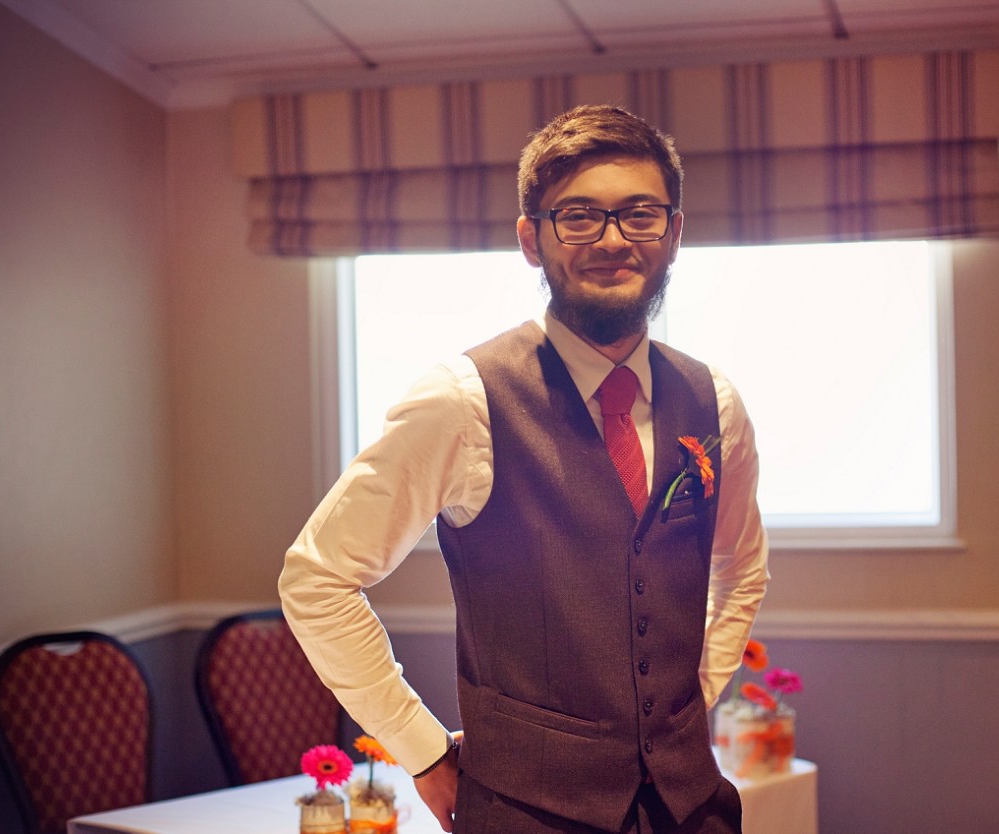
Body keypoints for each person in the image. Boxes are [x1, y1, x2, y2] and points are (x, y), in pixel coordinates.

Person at [279, 104, 768, 834]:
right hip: (526, 814)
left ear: (673, 233)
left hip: (692, 810)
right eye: (578, 217)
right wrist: (421, 749)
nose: (612, 240)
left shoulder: (714, 401)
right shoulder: (460, 400)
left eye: (640, 215)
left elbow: (743, 569)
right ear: (530, 240)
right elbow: (316, 580)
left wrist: (687, 697)